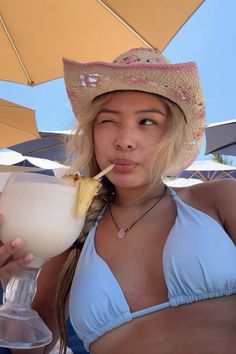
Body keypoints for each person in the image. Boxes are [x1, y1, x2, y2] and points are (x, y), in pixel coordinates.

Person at [0, 47, 235, 354]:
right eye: (108, 121)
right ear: (92, 133)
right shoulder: (70, 229)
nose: (124, 139)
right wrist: (15, 285)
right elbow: (31, 349)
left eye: (147, 122)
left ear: (172, 134)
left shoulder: (218, 198)